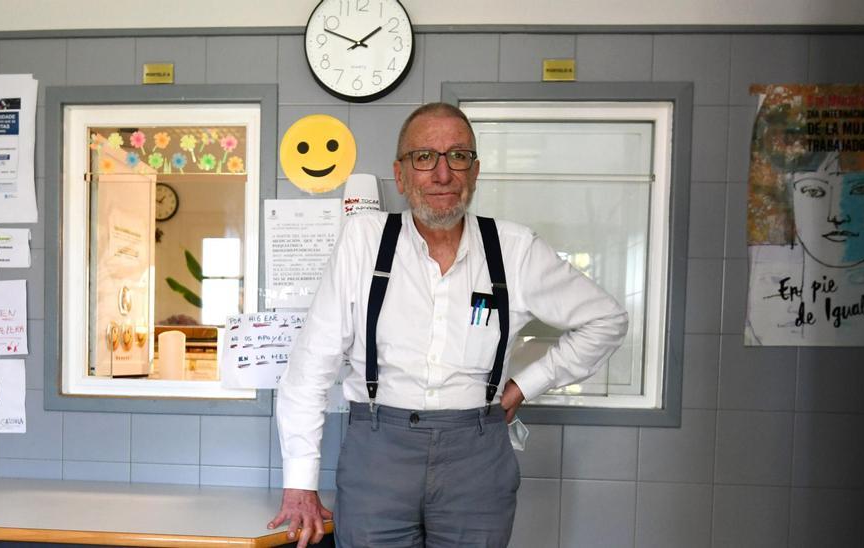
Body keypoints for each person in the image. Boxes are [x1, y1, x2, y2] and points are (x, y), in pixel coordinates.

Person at [268, 102, 628, 548]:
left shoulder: (514, 249)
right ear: (400, 175)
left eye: (457, 157)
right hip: (378, 457)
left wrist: (524, 385)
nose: (442, 175)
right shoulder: (363, 241)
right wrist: (299, 480)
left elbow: (606, 319)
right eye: (424, 158)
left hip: (477, 462)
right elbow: (309, 368)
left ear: (474, 172)